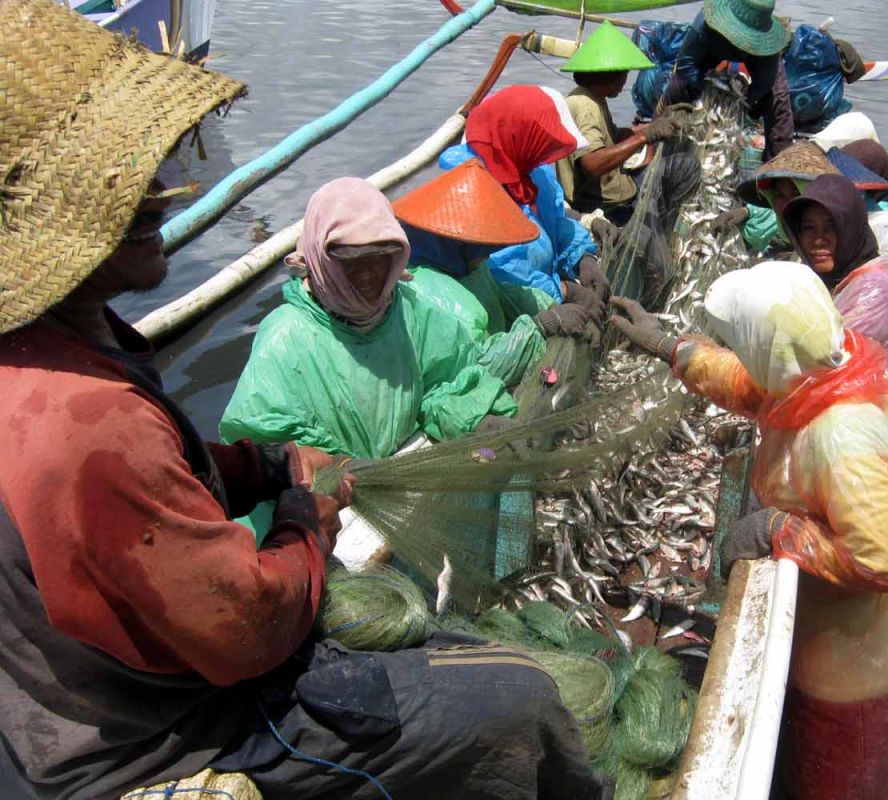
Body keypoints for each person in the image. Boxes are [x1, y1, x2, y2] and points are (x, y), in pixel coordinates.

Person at [0, 5, 606, 799]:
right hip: (161, 734)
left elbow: (164, 481)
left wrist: (263, 466)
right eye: (130, 183)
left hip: (110, 699)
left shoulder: (55, 356)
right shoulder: (86, 417)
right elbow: (245, 626)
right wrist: (301, 519)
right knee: (517, 697)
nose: (159, 189)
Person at [610, 262, 888, 800]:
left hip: (862, 669)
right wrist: (669, 348)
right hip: (849, 633)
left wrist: (777, 528)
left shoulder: (841, 437)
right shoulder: (829, 363)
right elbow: (750, 382)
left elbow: (884, 560)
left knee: (847, 781)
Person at [220, 177, 522, 461]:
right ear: (320, 260)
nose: (367, 274)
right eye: (350, 262)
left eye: (379, 258)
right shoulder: (285, 337)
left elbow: (444, 383)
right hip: (325, 505)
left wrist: (477, 418)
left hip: (400, 472)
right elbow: (259, 437)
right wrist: (333, 465)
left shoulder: (410, 312)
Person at [735, 146, 888, 473]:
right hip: (839, 437)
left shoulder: (873, 277)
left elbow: (820, 366)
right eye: (808, 228)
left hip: (867, 447)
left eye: (829, 226)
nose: (818, 239)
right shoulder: (824, 267)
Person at [393, 159, 603, 387]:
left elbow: (503, 295)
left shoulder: (465, 266)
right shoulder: (427, 295)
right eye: (482, 249)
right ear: (454, 244)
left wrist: (557, 303)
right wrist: (543, 326)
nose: (486, 256)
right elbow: (477, 368)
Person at [555, 21, 702, 306]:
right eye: (623, 75)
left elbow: (610, 137)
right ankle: (650, 304)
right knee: (660, 266)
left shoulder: (591, 99)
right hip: (603, 205)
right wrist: (646, 136)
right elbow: (592, 163)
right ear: (608, 74)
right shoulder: (584, 107)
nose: (625, 83)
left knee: (683, 166)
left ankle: (657, 226)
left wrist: (651, 127)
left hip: (624, 189)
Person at [439, 85, 610, 306]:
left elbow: (557, 224)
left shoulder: (534, 173)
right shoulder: (471, 187)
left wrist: (583, 258)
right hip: (506, 312)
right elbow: (504, 272)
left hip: (546, 293)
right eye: (542, 145)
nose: (546, 155)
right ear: (519, 136)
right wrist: (565, 291)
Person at [661, 0, 795, 160]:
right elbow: (686, 64)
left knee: (778, 100)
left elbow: (764, 84)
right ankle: (656, 149)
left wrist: (743, 104)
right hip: (710, 56)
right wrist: (706, 90)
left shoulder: (767, 47)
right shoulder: (706, 24)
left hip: (757, 56)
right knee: (678, 87)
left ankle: (780, 170)